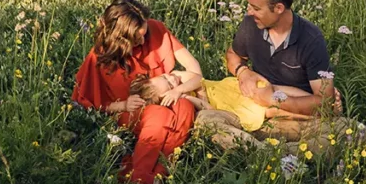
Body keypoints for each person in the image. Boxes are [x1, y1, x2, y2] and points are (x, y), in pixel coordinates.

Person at [200, 0, 366, 150]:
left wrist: (274, 99)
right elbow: (233, 55)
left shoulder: (311, 39)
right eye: (249, 6)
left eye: (256, 8)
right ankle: (276, 156)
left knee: (355, 132)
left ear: (279, 8)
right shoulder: (250, 24)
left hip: (296, 118)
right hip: (248, 112)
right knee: (206, 120)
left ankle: (262, 153)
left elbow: (325, 103)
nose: (249, 12)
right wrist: (243, 72)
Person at [71, 0, 202, 184]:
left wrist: (178, 91)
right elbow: (89, 103)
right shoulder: (101, 56)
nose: (143, 40)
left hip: (164, 97)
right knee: (159, 115)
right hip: (131, 110)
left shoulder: (156, 30)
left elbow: (195, 70)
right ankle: (139, 179)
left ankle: (159, 174)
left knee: (184, 107)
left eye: (144, 33)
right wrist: (122, 104)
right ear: (121, 38)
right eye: (136, 38)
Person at [130, 70, 313, 145]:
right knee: (270, 110)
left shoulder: (178, 77)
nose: (171, 80)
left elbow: (197, 78)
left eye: (164, 77)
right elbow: (208, 107)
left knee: (274, 90)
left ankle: (315, 101)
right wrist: (186, 97)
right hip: (230, 107)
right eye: (169, 86)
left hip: (228, 88)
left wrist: (178, 89)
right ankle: (315, 116)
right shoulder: (182, 102)